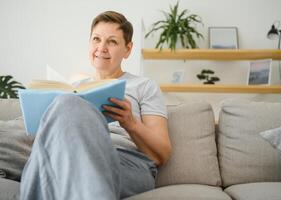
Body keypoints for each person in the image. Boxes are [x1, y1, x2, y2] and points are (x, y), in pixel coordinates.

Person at [20, 11, 172, 200]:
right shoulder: (73, 86)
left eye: (112, 41)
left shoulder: (144, 86)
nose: (102, 47)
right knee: (67, 105)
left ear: (128, 49)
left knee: (57, 158)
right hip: (69, 153)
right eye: (96, 39)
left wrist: (131, 123)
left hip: (126, 161)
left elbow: (162, 154)